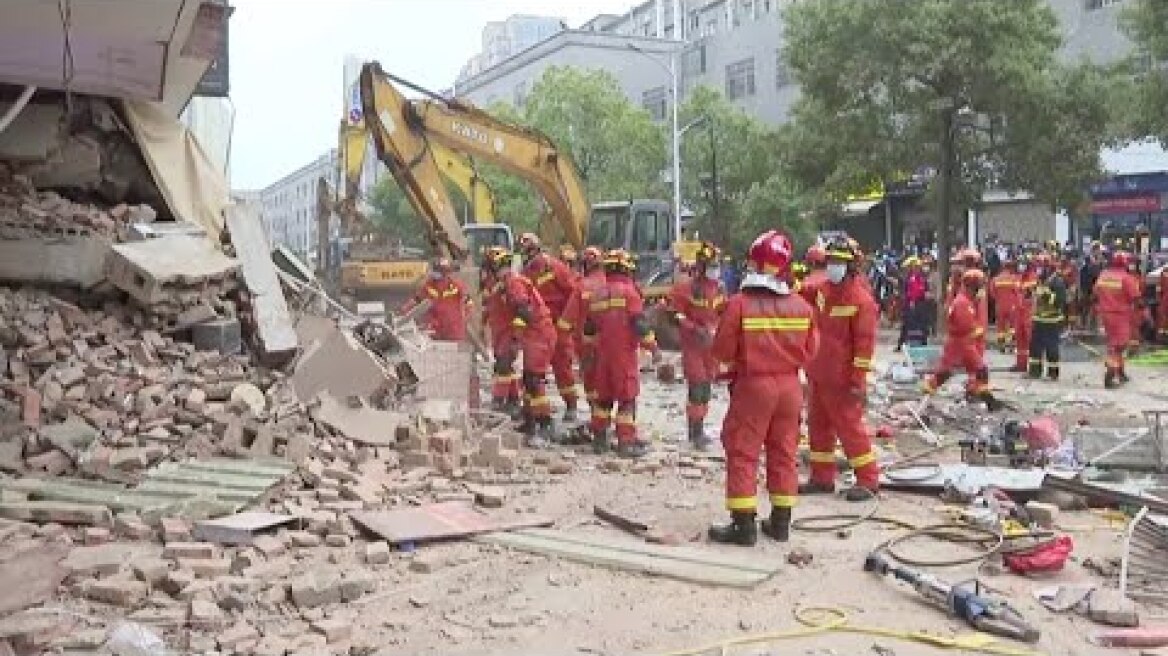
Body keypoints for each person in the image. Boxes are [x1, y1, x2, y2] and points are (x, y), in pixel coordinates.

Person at [708, 230, 818, 546]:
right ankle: (780, 523)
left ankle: (743, 527)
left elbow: (723, 350)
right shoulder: (802, 306)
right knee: (784, 452)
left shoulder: (739, 304)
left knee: (743, 452)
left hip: (754, 387)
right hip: (790, 388)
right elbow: (811, 351)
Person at [800, 238, 880, 502]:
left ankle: (868, 480)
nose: (833, 266)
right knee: (818, 427)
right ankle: (822, 478)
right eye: (830, 261)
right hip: (819, 374)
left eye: (839, 262)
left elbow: (864, 346)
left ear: (852, 266)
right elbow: (802, 294)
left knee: (850, 430)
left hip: (844, 381)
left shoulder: (861, 301)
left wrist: (857, 382)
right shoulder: (823, 290)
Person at [584, 249, 660, 458]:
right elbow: (639, 324)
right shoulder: (629, 292)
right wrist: (653, 347)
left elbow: (589, 328)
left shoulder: (597, 294)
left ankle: (599, 440)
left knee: (603, 399)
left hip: (602, 356)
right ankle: (625, 442)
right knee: (627, 399)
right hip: (624, 355)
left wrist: (589, 354)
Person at [481, 246, 557, 445]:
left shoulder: (514, 283)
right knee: (527, 379)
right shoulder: (507, 283)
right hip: (534, 334)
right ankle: (530, 421)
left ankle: (545, 422)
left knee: (533, 380)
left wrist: (515, 338)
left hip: (540, 333)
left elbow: (524, 313)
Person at [519, 233, 581, 422]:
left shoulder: (555, 267)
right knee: (533, 370)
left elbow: (573, 293)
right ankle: (533, 412)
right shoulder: (526, 273)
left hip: (558, 325)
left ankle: (571, 405)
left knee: (563, 367)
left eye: (529, 251)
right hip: (540, 328)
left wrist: (567, 322)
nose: (529, 256)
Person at [922, 269, 1005, 412]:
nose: (980, 289)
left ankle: (988, 400)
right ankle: (924, 397)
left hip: (962, 344)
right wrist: (978, 331)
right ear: (972, 285)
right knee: (944, 373)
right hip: (960, 345)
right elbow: (964, 326)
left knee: (980, 371)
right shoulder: (962, 303)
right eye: (979, 285)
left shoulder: (966, 300)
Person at [669, 241, 726, 450]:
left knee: (706, 388)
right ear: (701, 267)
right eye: (712, 265)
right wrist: (694, 328)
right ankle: (695, 431)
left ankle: (699, 428)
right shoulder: (687, 287)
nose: (715, 270)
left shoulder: (719, 288)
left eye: (717, 265)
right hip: (693, 345)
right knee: (697, 388)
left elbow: (722, 312)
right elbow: (675, 314)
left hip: (711, 347)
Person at [556, 247, 607, 439]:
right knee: (612, 384)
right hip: (611, 345)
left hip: (586, 346)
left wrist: (561, 342)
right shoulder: (612, 285)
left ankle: (599, 424)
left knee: (593, 386)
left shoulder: (582, 287)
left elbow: (566, 321)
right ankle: (613, 427)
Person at [1094, 251, 1141, 389]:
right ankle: (1110, 376)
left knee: (1113, 344)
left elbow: (1095, 292)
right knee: (1118, 346)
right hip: (1120, 315)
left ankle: (1120, 372)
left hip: (1105, 314)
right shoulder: (1126, 278)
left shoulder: (1103, 275)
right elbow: (1135, 297)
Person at [397, 258, 470, 342]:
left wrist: (465, 317)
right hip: (435, 329)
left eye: (438, 270)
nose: (435, 273)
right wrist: (404, 308)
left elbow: (469, 303)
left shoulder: (457, 286)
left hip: (453, 329)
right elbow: (417, 299)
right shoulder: (429, 285)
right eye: (435, 269)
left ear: (446, 272)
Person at [1029, 252, 1067, 381]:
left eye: (1041, 267)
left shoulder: (1057, 282)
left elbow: (1060, 301)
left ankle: (1053, 373)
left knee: (1051, 348)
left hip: (1052, 320)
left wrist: (1046, 296)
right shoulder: (1040, 281)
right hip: (1038, 319)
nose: (1039, 270)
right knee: (1035, 347)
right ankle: (1034, 371)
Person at [897, 256, 929, 350]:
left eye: (917, 267)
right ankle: (902, 343)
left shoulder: (921, 279)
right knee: (907, 324)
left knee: (920, 324)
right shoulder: (909, 278)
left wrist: (914, 300)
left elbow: (922, 291)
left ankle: (922, 342)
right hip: (911, 304)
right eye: (914, 267)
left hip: (919, 304)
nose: (916, 269)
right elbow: (908, 291)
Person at [1011, 254, 1037, 373]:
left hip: (1028, 312)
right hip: (1018, 312)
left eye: (1023, 263)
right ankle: (1020, 364)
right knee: (1020, 340)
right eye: (1020, 263)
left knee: (1029, 339)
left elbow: (1032, 295)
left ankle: (1032, 365)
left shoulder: (1032, 277)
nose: (1021, 266)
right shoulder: (1018, 277)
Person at [991, 255, 1022, 352]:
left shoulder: (995, 279)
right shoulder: (1014, 279)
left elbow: (992, 293)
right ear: (1011, 267)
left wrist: (998, 300)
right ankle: (1012, 347)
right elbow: (1018, 292)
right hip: (1012, 306)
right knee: (1013, 327)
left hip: (999, 306)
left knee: (1001, 327)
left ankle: (1001, 347)